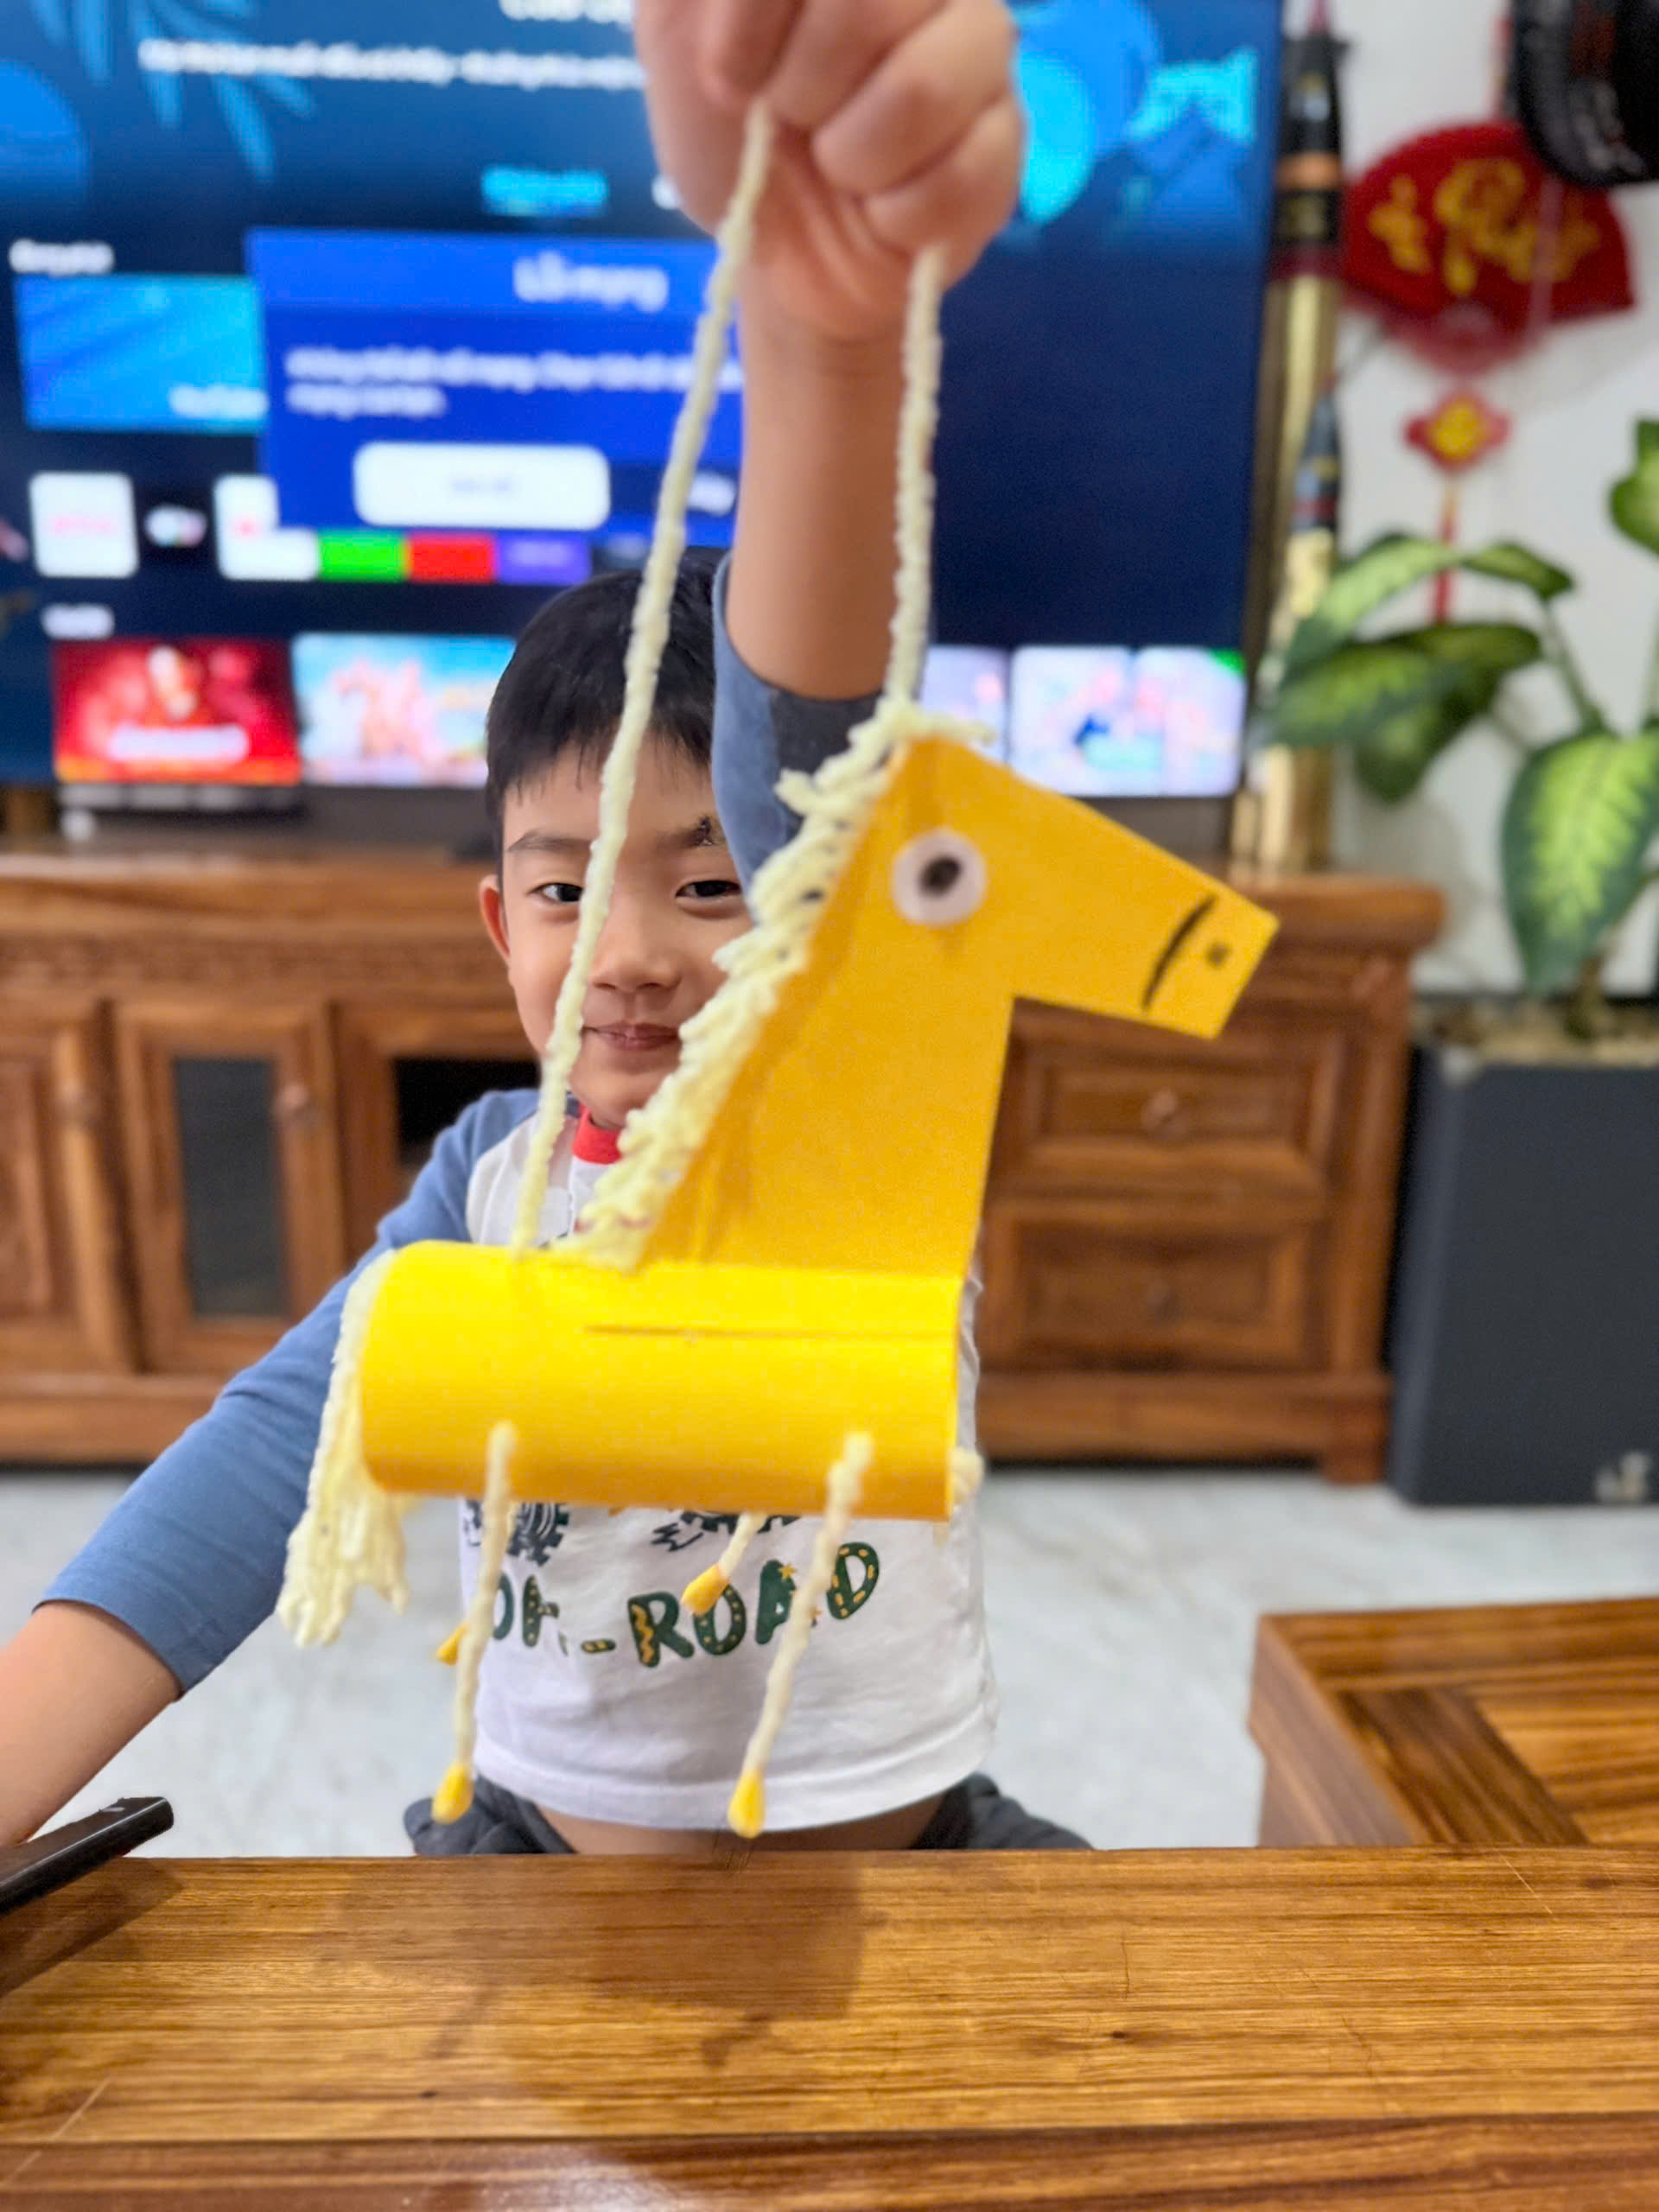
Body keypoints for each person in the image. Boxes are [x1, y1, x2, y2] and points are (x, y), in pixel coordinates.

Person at [0, 0, 1087, 1856]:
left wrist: (825, 348)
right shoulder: (484, 1186)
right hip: (528, 1849)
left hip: (919, 1865)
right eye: (571, 890)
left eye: (710, 879)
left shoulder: (852, 1130)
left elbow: (810, 763)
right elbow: (263, 1462)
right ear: (500, 921)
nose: (635, 948)